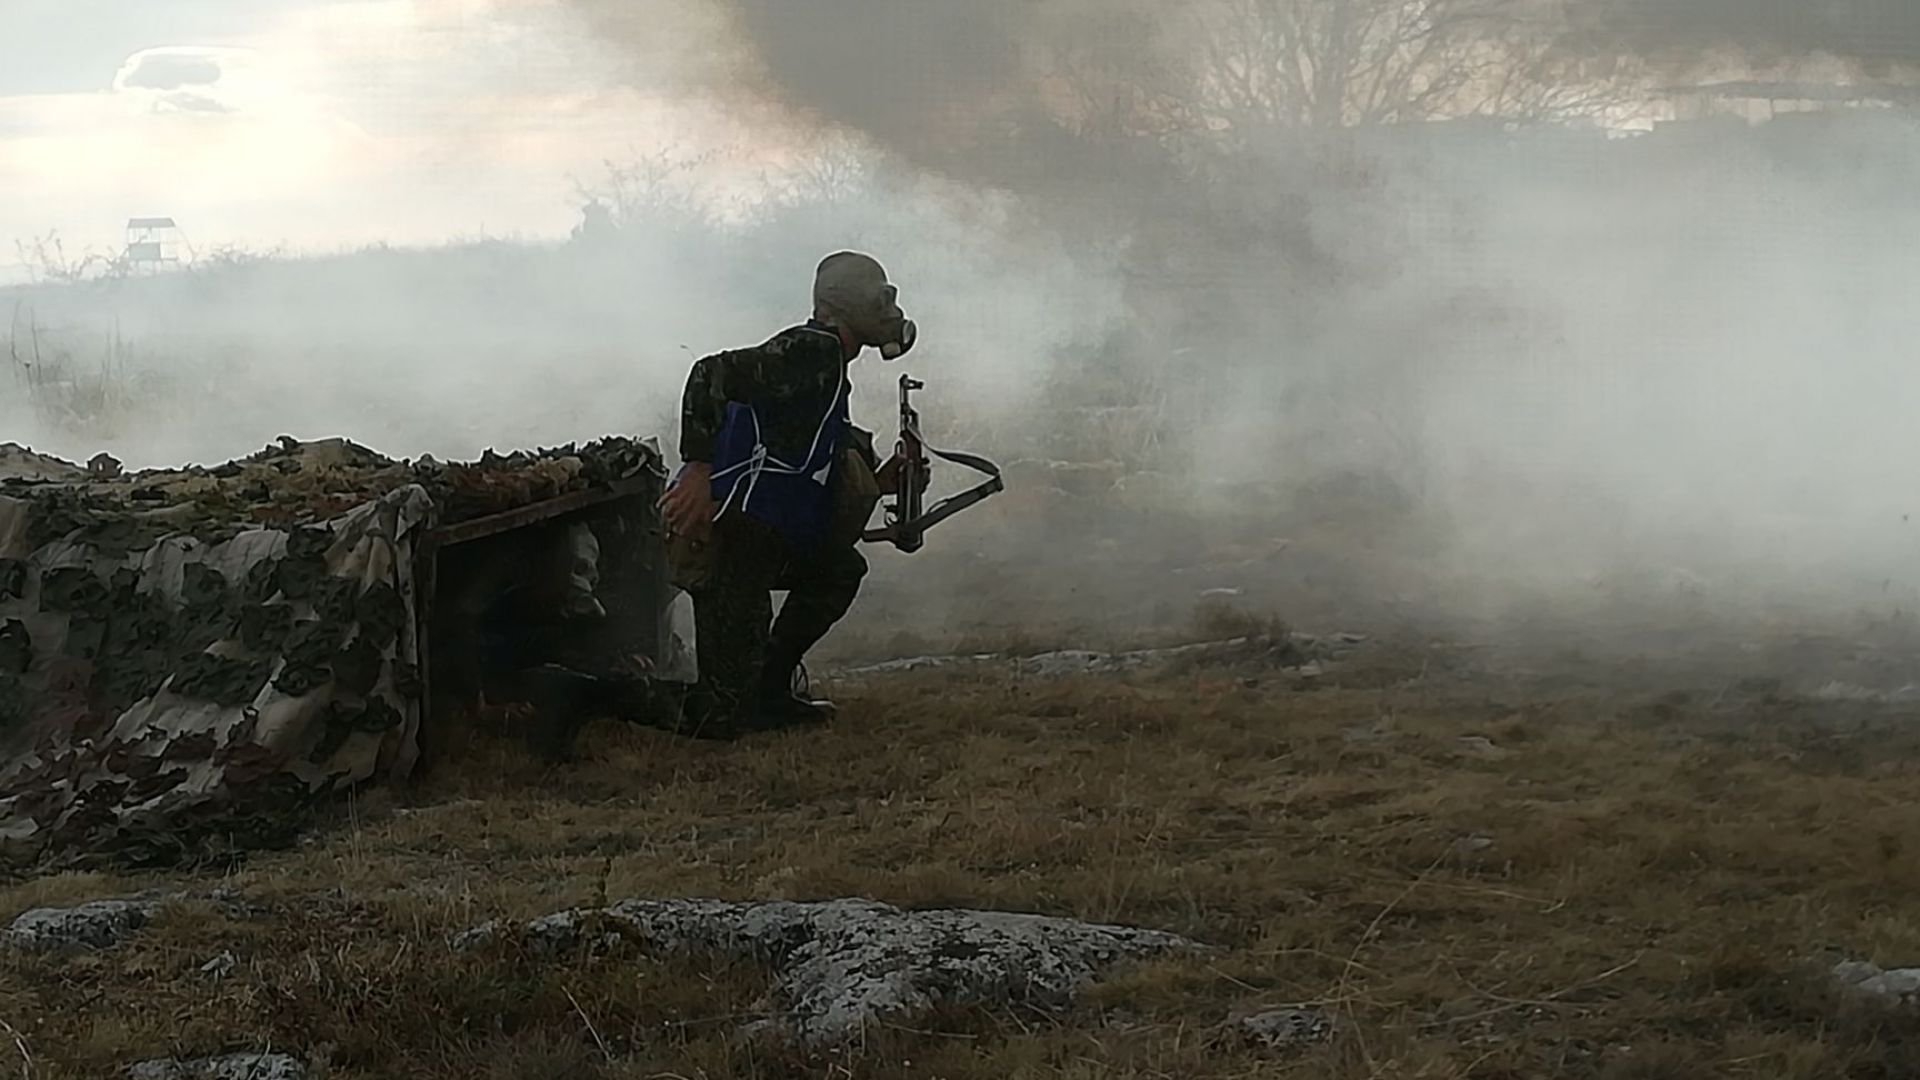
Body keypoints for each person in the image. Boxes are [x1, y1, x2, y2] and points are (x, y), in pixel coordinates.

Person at [658, 252, 920, 739]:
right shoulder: (812, 351)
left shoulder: (827, 367)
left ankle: (770, 690)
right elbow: (709, 373)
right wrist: (698, 468)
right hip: (728, 539)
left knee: (839, 570)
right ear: (842, 304)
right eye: (878, 298)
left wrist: (879, 482)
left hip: (764, 541)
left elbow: (803, 459)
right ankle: (582, 694)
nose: (888, 310)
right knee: (720, 717)